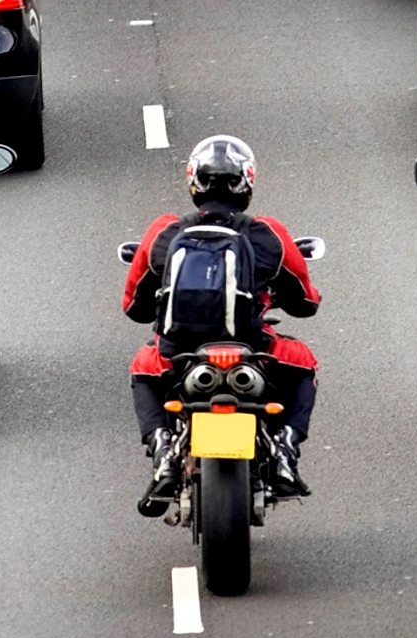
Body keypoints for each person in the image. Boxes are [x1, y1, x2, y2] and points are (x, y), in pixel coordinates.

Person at [122, 134, 322, 517]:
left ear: (193, 180)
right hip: (254, 351)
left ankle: (164, 450)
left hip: (177, 355)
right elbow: (306, 303)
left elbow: (133, 307)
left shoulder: (164, 232)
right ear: (247, 180)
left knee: (143, 369)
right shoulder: (268, 233)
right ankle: (284, 450)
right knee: (304, 364)